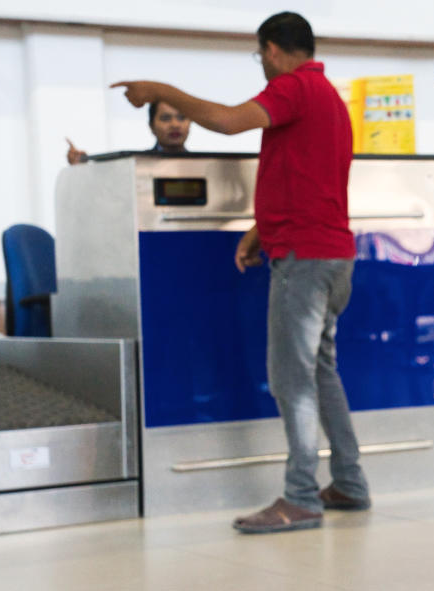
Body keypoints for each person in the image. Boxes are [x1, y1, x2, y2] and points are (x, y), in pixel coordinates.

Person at [111, 11, 370, 533]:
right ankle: (349, 482)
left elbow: (228, 121)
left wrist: (159, 88)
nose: (263, 66)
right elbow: (308, 179)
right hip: (329, 253)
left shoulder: (296, 88)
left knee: (292, 380)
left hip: (305, 259)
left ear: (271, 50)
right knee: (320, 371)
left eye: (261, 57)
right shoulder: (329, 99)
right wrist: (262, 227)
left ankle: (300, 498)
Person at [65, 101, 191, 164]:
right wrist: (80, 167)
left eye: (182, 118)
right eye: (165, 118)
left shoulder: (206, 164)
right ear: (151, 126)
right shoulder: (137, 164)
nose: (175, 125)